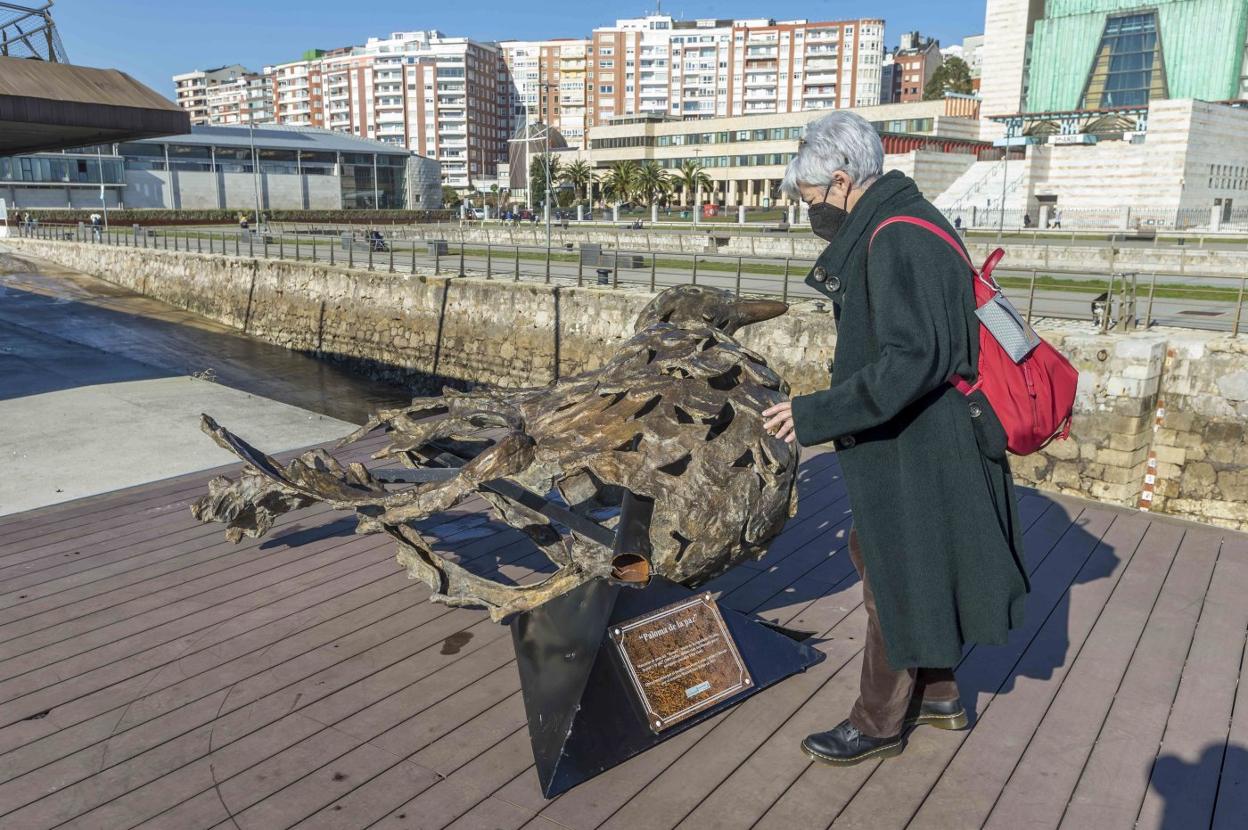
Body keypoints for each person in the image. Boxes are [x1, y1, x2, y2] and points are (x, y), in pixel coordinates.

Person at [761, 111, 1029, 766]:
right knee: (906, 561)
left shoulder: (893, 238)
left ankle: (877, 723)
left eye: (810, 197)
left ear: (843, 181)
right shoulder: (914, 219)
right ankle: (939, 694)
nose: (810, 211)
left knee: (891, 572)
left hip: (919, 442)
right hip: (934, 437)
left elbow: (911, 360)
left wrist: (816, 413)